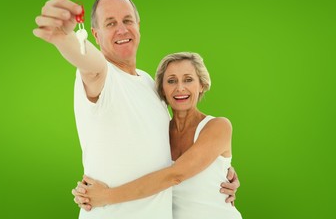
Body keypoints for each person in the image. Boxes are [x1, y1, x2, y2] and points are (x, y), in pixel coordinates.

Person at [33, 0, 239, 219]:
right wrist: (65, 37)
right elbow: (89, 64)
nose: (122, 29)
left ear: (138, 26)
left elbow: (173, 164)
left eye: (127, 20)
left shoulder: (149, 84)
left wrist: (219, 172)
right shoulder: (103, 76)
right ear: (95, 34)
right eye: (110, 23)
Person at [72, 52, 242, 219]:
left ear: (202, 85)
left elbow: (175, 175)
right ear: (162, 89)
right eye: (171, 81)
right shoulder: (159, 132)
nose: (180, 88)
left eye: (188, 79)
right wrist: (87, 191)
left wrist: (106, 196)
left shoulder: (218, 126)